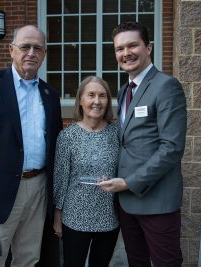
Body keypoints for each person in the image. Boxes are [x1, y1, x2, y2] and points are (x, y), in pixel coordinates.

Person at [0, 25, 63, 266]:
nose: (31, 53)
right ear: (11, 50)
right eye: (25, 46)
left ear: (44, 54)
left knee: (29, 258)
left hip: (38, 188)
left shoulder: (50, 94)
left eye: (38, 48)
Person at [99, 21, 187, 266]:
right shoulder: (124, 90)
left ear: (148, 48)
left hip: (157, 201)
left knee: (165, 263)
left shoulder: (166, 86)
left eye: (132, 45)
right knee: (136, 261)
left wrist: (129, 182)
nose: (125, 53)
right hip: (126, 202)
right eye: (119, 48)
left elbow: (172, 148)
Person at [53, 76, 120, 267]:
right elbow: (60, 178)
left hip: (108, 217)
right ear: (81, 100)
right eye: (91, 95)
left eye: (102, 96)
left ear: (108, 101)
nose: (97, 101)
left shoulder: (116, 134)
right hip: (75, 217)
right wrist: (57, 216)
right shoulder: (67, 136)